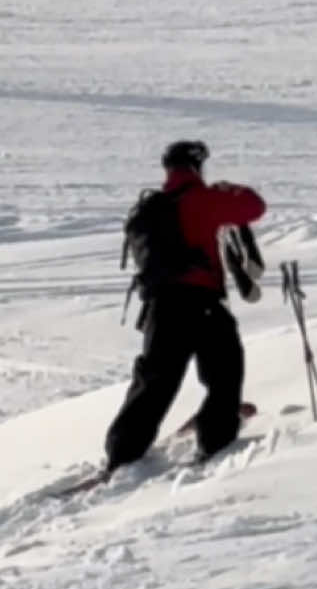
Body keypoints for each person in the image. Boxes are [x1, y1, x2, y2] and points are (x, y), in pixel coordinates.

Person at [104, 139, 266, 472]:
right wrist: (228, 188)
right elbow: (254, 207)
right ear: (196, 166)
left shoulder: (153, 207)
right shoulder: (203, 199)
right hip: (200, 302)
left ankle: (123, 452)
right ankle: (217, 439)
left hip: (161, 306)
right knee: (224, 373)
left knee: (155, 380)